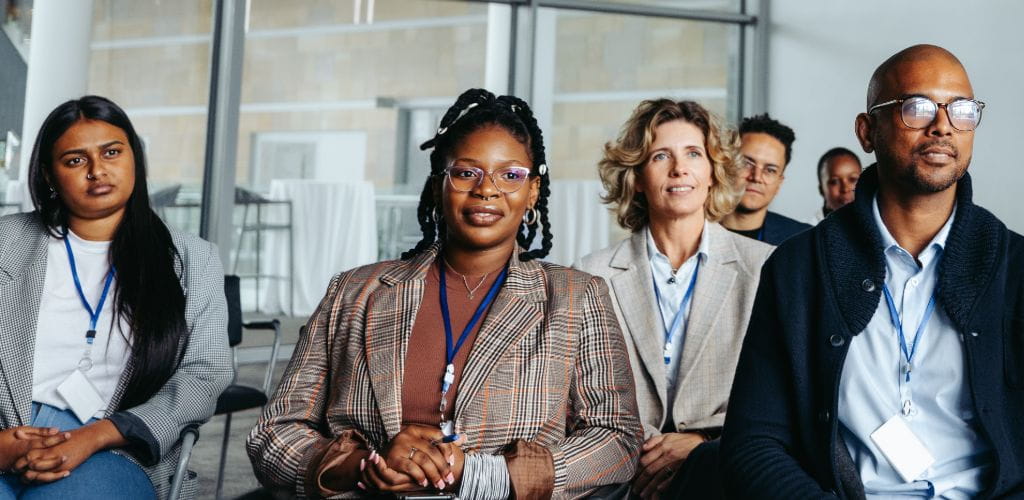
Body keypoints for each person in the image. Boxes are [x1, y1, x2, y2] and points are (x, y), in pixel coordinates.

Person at [723, 44, 1024, 499]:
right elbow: (753, 444)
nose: (942, 126)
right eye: (917, 107)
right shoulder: (798, 270)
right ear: (867, 130)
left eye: (962, 110)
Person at [248, 89, 640, 500]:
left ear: (533, 192)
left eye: (510, 175)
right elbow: (274, 434)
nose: (487, 189)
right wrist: (363, 466)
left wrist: (479, 475)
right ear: (439, 185)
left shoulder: (576, 297)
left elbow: (616, 439)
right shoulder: (354, 293)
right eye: (467, 172)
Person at [0, 95, 230, 500]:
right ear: (49, 176)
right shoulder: (6, 242)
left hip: (114, 446)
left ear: (134, 159)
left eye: (111, 152)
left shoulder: (192, 259)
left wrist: (98, 435)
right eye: (75, 160)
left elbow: (204, 374)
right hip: (7, 432)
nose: (97, 170)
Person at [578, 98, 773, 500]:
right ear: (637, 177)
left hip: (726, 471)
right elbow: (580, 396)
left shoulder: (765, 268)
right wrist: (651, 453)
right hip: (622, 474)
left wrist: (701, 442)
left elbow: (777, 396)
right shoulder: (592, 274)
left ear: (713, 171)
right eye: (660, 156)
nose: (679, 169)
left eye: (693, 154)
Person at [720, 114, 812, 245]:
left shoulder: (803, 239)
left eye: (770, 170)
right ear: (726, 165)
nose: (756, 177)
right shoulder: (692, 231)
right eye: (746, 163)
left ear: (779, 183)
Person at [814, 147, 862, 222]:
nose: (845, 189)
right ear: (821, 190)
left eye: (853, 179)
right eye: (834, 182)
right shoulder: (808, 229)